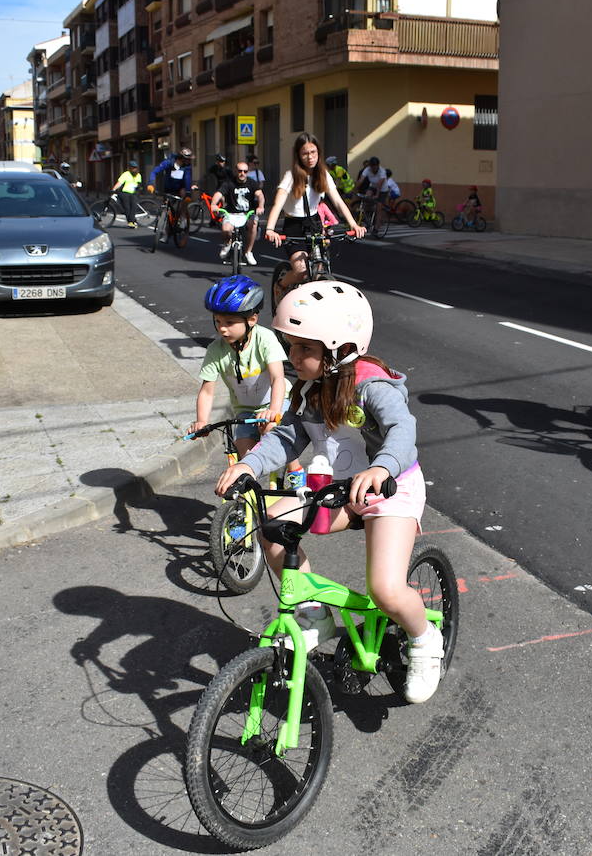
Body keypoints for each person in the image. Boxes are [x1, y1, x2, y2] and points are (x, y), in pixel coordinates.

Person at [215, 281, 443, 703]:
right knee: (272, 527)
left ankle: (425, 640)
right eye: (290, 345)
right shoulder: (311, 388)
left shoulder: (372, 385)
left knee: (386, 590)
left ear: (340, 350)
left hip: (388, 487)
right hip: (336, 488)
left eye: (304, 348)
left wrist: (380, 467)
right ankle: (314, 616)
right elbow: (286, 438)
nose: (292, 357)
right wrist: (248, 463)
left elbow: (401, 431)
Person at [189, 275, 287, 459]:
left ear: (251, 319)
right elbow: (207, 391)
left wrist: (273, 409)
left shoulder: (265, 339)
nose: (222, 329)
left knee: (274, 433)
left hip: (275, 403)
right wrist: (202, 421)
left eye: (229, 322)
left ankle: (294, 470)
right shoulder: (215, 350)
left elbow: (277, 378)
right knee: (243, 450)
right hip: (245, 411)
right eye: (218, 321)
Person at [263, 131, 365, 295]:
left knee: (320, 265)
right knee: (301, 271)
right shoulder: (291, 176)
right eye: (305, 153)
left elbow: (338, 202)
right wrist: (269, 229)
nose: (310, 157)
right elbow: (278, 203)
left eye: (313, 152)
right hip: (294, 225)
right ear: (298, 155)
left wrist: (353, 224)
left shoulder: (323, 174)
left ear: (318, 153)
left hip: (315, 223)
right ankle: (280, 286)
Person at [213, 160, 265, 266]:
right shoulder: (229, 183)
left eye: (245, 171)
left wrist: (260, 206)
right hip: (231, 213)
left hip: (247, 213)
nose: (242, 173)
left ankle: (248, 252)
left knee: (254, 224)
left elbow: (260, 195)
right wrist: (213, 204)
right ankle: (227, 243)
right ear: (235, 171)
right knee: (226, 230)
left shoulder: (251, 182)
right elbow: (218, 193)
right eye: (240, 171)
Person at [111, 160, 143, 228]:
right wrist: (113, 189)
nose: (134, 169)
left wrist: (138, 189)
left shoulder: (138, 175)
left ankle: (131, 221)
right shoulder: (126, 174)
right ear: (129, 168)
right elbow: (119, 183)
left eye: (135, 168)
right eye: (132, 168)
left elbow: (138, 184)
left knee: (133, 207)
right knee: (127, 208)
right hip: (125, 193)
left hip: (134, 193)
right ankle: (131, 222)